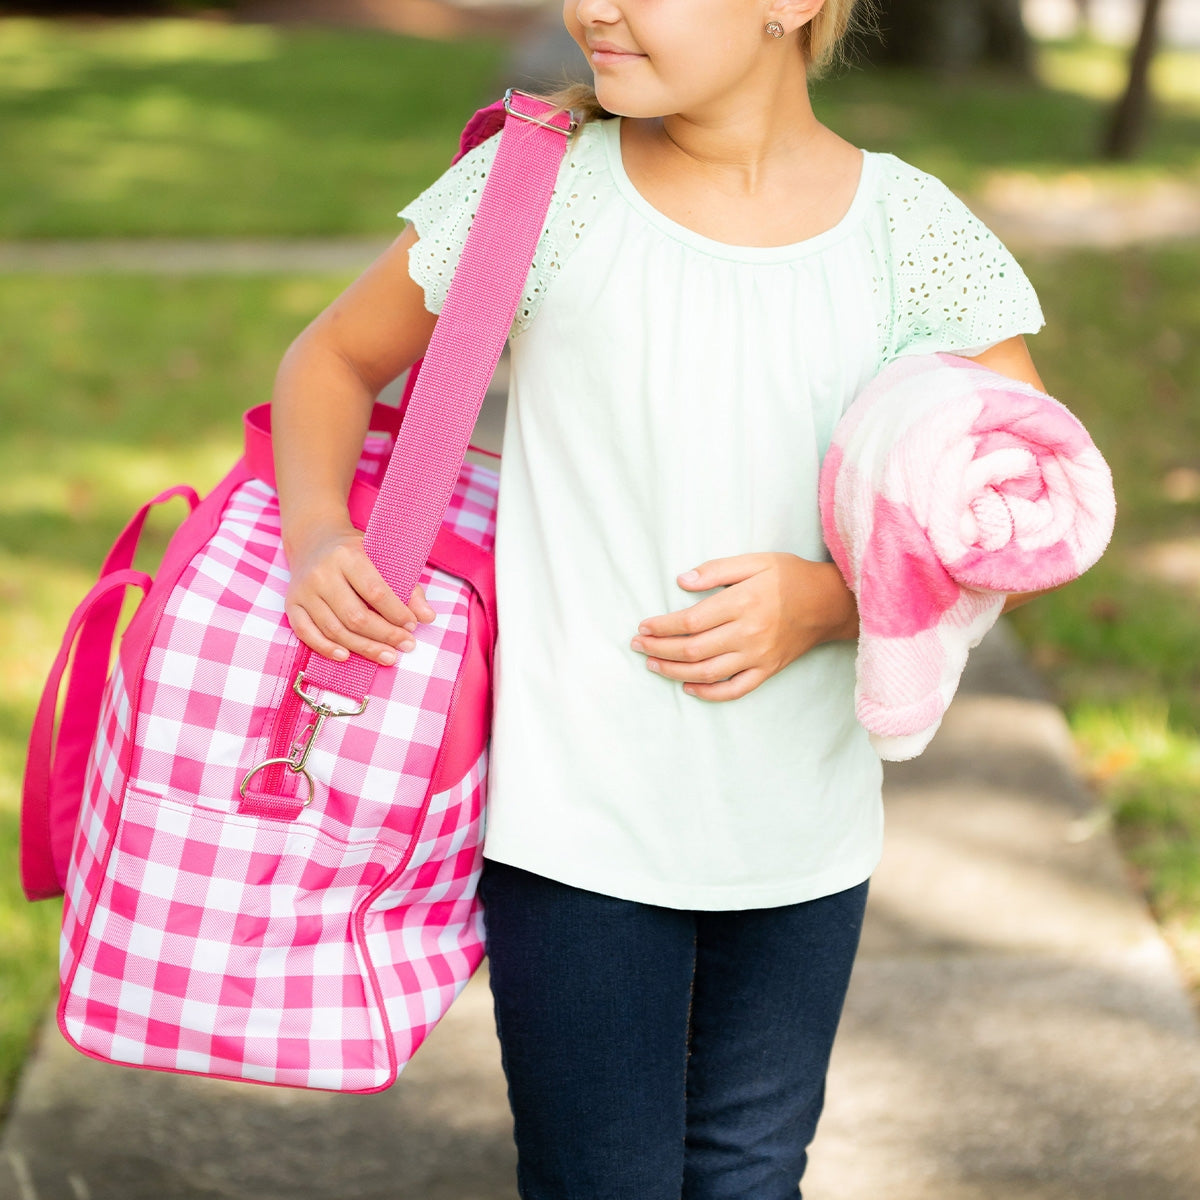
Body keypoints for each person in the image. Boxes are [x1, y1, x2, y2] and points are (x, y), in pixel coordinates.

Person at [270, 2, 1049, 1196]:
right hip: (572, 830)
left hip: (800, 832)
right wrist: (323, 530)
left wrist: (832, 602)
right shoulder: (536, 191)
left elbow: (1018, 510)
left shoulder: (912, 235)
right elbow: (332, 358)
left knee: (750, 1173)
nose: (593, 8)